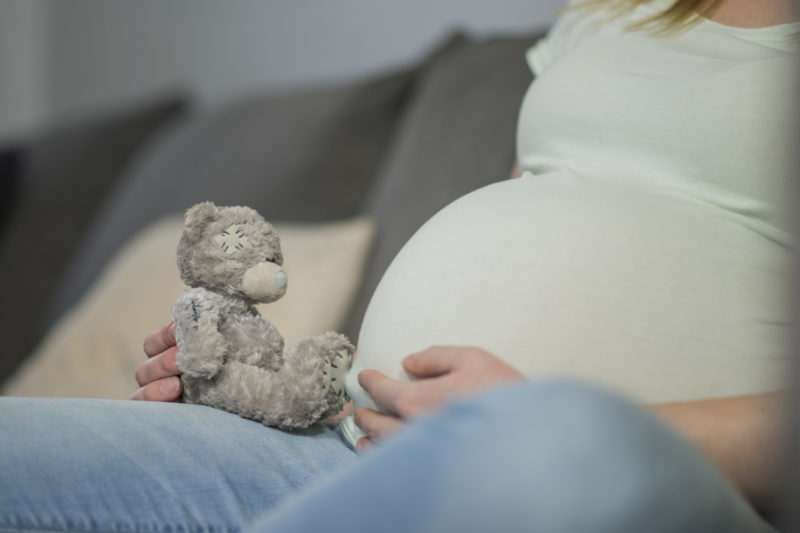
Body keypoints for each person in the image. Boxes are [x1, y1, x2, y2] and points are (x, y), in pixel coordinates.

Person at [1, 0, 797, 531]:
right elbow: (540, 215)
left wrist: (528, 413)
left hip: (622, 466)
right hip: (351, 444)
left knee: (564, 437)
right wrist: (265, 386)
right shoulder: (616, 14)